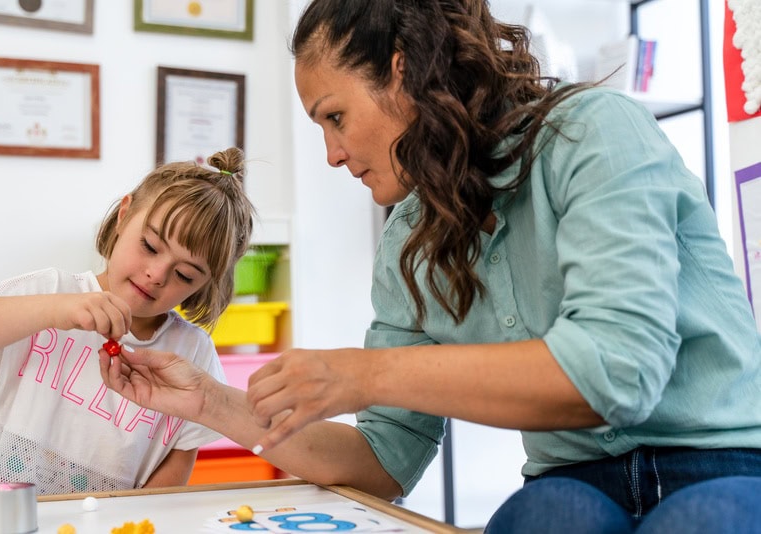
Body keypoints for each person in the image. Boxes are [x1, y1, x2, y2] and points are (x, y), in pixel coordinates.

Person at [101, 1, 761, 532]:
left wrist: (363, 375)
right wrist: (211, 402)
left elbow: (618, 371)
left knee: (705, 519)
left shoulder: (593, 132)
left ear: (403, 72)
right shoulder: (407, 244)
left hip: (724, 461)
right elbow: (382, 465)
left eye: (335, 116)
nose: (332, 154)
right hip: (573, 483)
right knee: (543, 519)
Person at [0, 147, 254, 494]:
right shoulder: (51, 292)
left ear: (206, 284)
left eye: (185, 275)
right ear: (124, 216)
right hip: (10, 520)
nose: (156, 274)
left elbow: (176, 464)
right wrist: (56, 310)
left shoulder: (192, 352)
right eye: (150, 246)